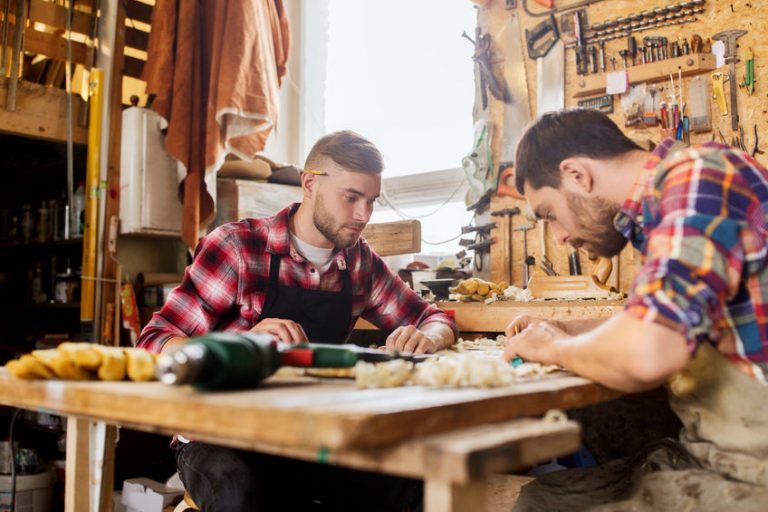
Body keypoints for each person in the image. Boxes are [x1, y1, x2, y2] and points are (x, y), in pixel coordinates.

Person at [137, 130, 457, 511]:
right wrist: (235, 347)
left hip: (307, 435)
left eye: (371, 201)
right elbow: (153, 342)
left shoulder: (359, 263)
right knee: (243, 493)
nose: (363, 216)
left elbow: (433, 317)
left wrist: (430, 338)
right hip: (219, 435)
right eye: (351, 198)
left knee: (418, 484)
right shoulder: (237, 247)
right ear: (310, 184)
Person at [503, 109, 768, 511]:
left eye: (550, 214)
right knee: (544, 497)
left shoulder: (699, 178)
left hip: (753, 469)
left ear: (576, 174)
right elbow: (662, 319)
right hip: (716, 453)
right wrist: (566, 327)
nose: (559, 237)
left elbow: (650, 350)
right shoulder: (665, 206)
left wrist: (553, 348)